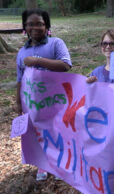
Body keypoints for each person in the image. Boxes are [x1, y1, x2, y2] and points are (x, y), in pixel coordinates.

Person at [16, 9, 72, 181]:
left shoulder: (56, 43)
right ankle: (43, 165)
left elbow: (65, 65)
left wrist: (38, 60)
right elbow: (20, 80)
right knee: (38, 132)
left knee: (58, 130)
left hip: (57, 99)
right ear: (24, 27)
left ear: (46, 26)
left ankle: (62, 164)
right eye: (30, 24)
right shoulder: (21, 53)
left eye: (39, 23)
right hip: (34, 102)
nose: (35, 27)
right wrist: (18, 103)